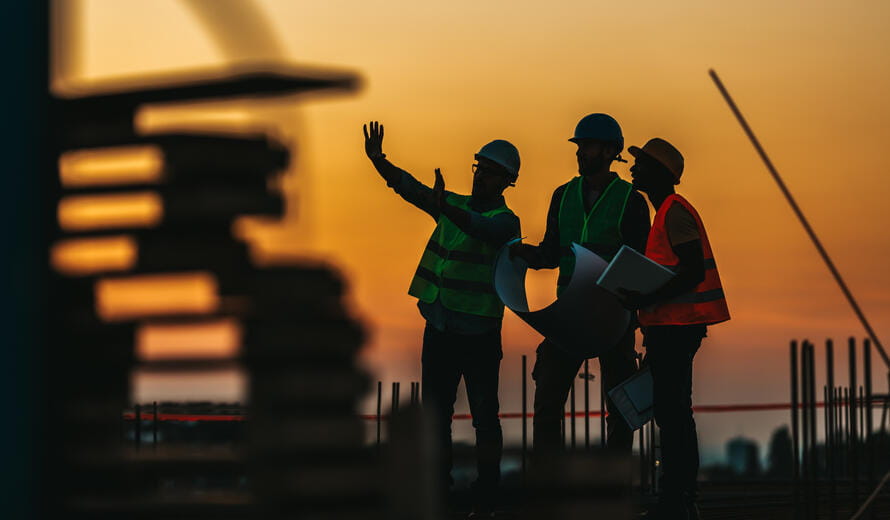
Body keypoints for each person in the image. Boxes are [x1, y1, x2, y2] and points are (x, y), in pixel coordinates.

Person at [363, 121, 521, 518]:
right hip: (440, 328)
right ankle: (440, 494)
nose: (480, 175)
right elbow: (412, 189)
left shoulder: (507, 222)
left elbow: (481, 229)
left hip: (480, 334)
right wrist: (380, 162)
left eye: (489, 171)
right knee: (436, 418)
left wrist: (446, 207)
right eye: (478, 167)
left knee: (485, 418)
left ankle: (487, 498)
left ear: (506, 181)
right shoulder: (452, 204)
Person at [510, 113, 650, 456]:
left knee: (620, 407)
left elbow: (640, 265)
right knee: (547, 402)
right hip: (569, 315)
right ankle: (550, 489)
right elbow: (553, 251)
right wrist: (526, 255)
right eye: (580, 146)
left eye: (586, 146)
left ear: (608, 152)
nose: (580, 152)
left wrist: (634, 317)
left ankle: (612, 489)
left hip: (613, 317)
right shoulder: (563, 196)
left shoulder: (629, 200)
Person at [620, 137, 730, 520]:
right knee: (674, 411)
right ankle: (681, 495)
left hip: (678, 328)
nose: (633, 169)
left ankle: (676, 498)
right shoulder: (664, 213)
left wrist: (645, 297)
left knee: (673, 413)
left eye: (640, 164)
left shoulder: (674, 212)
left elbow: (692, 270)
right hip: (671, 327)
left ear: (659, 173)